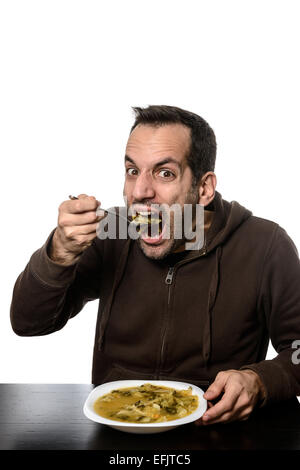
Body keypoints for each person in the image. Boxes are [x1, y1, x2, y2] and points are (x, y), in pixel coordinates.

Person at [10, 105, 300, 425]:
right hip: (117, 429)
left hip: (217, 430)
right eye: (133, 170)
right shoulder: (109, 234)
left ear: (203, 188)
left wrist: (261, 380)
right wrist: (58, 254)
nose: (140, 192)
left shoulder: (264, 244)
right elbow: (27, 322)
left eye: (165, 173)